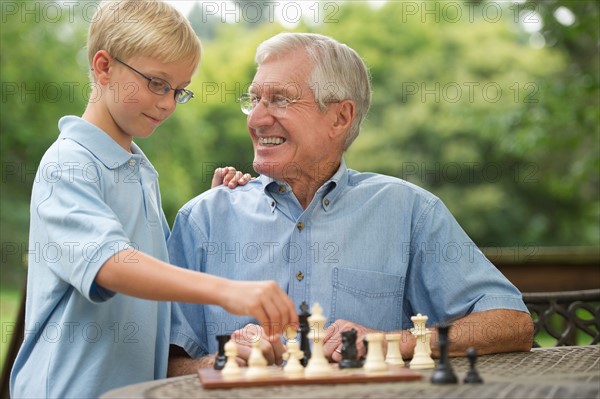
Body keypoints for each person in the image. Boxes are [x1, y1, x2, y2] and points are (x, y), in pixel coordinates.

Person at [167, 32, 534, 375]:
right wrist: (220, 360)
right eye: (254, 100)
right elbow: (164, 363)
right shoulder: (203, 219)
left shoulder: (409, 212)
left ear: (340, 117)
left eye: (279, 99)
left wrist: (390, 342)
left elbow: (511, 323)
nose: (258, 119)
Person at [9, 2, 297, 398]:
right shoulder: (69, 163)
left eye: (179, 91)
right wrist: (228, 290)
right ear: (104, 67)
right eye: (157, 83)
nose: (167, 103)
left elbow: (153, 267)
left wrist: (209, 209)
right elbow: (111, 264)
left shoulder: (138, 168)